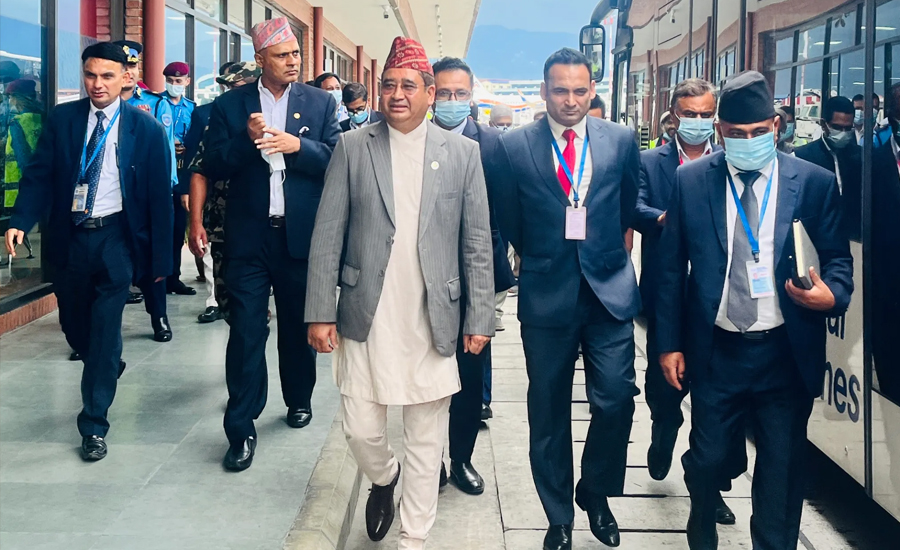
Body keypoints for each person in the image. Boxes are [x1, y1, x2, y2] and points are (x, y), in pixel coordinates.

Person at [305, 37, 494, 550]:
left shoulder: (463, 153)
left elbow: (477, 241)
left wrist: (480, 316)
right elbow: (328, 233)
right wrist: (319, 311)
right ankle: (385, 476)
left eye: (408, 85)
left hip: (433, 315)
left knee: (427, 440)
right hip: (367, 311)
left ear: (430, 93)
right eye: (388, 85)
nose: (396, 94)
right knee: (361, 429)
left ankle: (414, 538)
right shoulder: (353, 147)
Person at [656, 71, 853, 550]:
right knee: (707, 459)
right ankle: (702, 514)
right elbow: (669, 270)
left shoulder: (813, 183)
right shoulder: (691, 181)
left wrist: (832, 296)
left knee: (781, 473)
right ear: (720, 131)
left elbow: (838, 259)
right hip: (717, 351)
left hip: (784, 351)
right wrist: (668, 345)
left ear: (777, 126)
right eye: (737, 134)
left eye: (759, 132)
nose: (748, 142)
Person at [492, 47, 641, 550]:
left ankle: (595, 492)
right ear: (544, 91)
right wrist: (543, 256)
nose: (570, 101)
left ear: (592, 90)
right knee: (548, 410)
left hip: (608, 293)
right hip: (547, 294)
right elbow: (510, 219)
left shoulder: (620, 140)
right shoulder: (513, 146)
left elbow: (625, 207)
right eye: (560, 91)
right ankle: (558, 516)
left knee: (616, 398)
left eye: (580, 91)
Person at [4, 42, 173, 461]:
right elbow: (39, 175)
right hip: (71, 237)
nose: (97, 84)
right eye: (90, 75)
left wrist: (161, 262)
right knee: (75, 329)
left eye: (107, 76)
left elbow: (159, 200)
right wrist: (20, 220)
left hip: (116, 239)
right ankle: (106, 363)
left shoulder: (147, 130)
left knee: (105, 331)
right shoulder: (63, 120)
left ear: (125, 78)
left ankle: (94, 424)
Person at [202, 18, 340, 471]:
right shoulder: (230, 106)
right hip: (249, 238)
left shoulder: (319, 102)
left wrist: (298, 147)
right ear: (260, 59)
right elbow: (213, 164)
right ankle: (241, 427)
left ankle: (299, 398)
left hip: (299, 237)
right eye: (282, 55)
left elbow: (338, 159)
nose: (293, 62)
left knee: (298, 329)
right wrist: (247, 140)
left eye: (296, 53)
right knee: (246, 332)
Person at [632, 78, 743, 527]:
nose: (697, 121)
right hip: (668, 294)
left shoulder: (730, 160)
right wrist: (667, 218)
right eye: (689, 113)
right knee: (665, 387)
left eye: (705, 114)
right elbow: (633, 205)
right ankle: (664, 430)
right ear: (673, 115)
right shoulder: (650, 161)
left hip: (720, 300)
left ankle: (709, 487)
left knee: (718, 401)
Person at [430, 56, 517, 495]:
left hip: (475, 273)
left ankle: (461, 458)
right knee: (426, 372)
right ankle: (429, 461)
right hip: (424, 273)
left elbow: (505, 210)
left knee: (469, 369)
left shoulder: (492, 144)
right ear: (431, 94)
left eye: (459, 93)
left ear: (471, 97)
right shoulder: (414, 138)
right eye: (444, 92)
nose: (451, 100)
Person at [114, 39, 180, 344]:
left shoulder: (155, 103)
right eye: (122, 66)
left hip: (146, 195)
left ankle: (159, 317)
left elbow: (167, 150)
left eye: (132, 66)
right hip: (112, 197)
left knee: (153, 257)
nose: (128, 72)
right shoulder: (98, 105)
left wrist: (169, 186)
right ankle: (101, 331)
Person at [182, 61, 239, 323]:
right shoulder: (210, 115)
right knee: (219, 275)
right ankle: (214, 302)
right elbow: (198, 168)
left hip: (264, 224)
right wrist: (195, 220)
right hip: (220, 216)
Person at [795, 96, 862, 242]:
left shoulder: (861, 157)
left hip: (854, 237)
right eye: (837, 128)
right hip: (816, 237)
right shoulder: (803, 157)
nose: (843, 133)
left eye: (847, 128)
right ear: (823, 124)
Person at [161, 61, 196, 296]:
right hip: (161, 172)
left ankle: (174, 277)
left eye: (178, 81)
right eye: (170, 81)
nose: (174, 84)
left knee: (177, 229)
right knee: (159, 228)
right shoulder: (157, 103)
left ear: (187, 82)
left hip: (182, 174)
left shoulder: (192, 109)